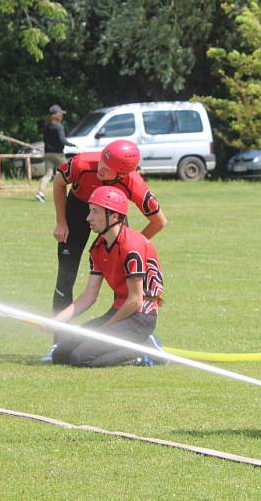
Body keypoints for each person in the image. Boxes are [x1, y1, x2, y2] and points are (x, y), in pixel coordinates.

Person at [51, 186, 164, 367]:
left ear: (114, 216)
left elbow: (136, 300)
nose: (88, 218)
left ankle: (144, 350)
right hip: (119, 311)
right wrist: (58, 320)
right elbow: (89, 295)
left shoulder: (131, 247)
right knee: (61, 353)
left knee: (81, 358)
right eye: (90, 211)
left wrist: (107, 327)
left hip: (139, 317)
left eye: (95, 212)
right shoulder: (98, 248)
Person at [51, 139, 166, 315]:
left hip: (112, 216)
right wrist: (61, 222)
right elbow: (58, 182)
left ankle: (120, 328)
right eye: (101, 162)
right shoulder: (82, 163)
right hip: (77, 208)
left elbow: (159, 221)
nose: (100, 169)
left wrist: (134, 244)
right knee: (66, 275)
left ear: (122, 174)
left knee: (124, 282)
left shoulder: (133, 183)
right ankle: (59, 337)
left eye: (106, 169)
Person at [36, 104, 70, 203]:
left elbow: (45, 140)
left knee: (47, 175)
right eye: (61, 114)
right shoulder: (58, 126)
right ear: (56, 115)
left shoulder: (47, 126)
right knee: (67, 174)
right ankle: (68, 195)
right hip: (58, 155)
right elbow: (62, 140)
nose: (62, 116)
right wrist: (72, 145)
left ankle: (40, 193)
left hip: (48, 154)